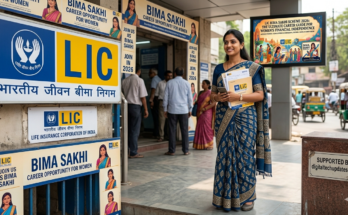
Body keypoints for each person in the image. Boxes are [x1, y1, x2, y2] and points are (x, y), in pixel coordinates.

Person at [211, 29, 271, 212]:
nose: (229, 45)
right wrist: (218, 98)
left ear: (241, 45)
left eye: (233, 42)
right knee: (224, 157)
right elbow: (212, 94)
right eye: (226, 42)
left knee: (245, 157)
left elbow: (260, 95)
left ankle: (247, 197)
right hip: (223, 118)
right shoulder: (219, 68)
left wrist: (239, 96)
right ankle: (225, 196)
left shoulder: (252, 68)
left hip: (245, 117)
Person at [163, 67, 192, 156]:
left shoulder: (169, 83)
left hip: (172, 110)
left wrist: (165, 109)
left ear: (175, 73)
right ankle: (186, 150)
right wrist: (190, 109)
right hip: (184, 110)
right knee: (184, 130)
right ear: (183, 74)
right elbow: (190, 98)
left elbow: (166, 97)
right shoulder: (187, 83)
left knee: (172, 130)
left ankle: (172, 150)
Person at [122, 66, 149, 158]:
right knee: (134, 131)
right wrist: (146, 109)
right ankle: (133, 152)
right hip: (135, 107)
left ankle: (126, 151)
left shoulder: (124, 81)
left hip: (126, 107)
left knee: (127, 130)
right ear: (139, 71)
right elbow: (143, 97)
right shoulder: (139, 80)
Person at [193, 80, 215, 150]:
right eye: (202, 83)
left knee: (206, 128)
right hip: (200, 112)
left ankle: (208, 144)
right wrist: (194, 103)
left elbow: (214, 103)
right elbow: (199, 101)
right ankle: (200, 144)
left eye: (204, 84)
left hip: (207, 113)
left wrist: (205, 109)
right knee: (200, 127)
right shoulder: (200, 92)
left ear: (208, 85)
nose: (202, 85)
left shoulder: (210, 93)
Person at [155, 70, 173, 142]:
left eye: (171, 76)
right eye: (168, 76)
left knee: (170, 120)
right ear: (165, 76)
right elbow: (156, 94)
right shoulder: (160, 83)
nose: (170, 77)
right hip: (162, 102)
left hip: (171, 103)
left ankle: (169, 135)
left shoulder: (173, 84)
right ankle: (161, 136)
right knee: (162, 120)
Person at [149, 68, 162, 139]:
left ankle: (156, 133)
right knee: (158, 117)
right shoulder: (159, 79)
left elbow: (153, 90)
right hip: (158, 99)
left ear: (154, 73)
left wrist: (151, 100)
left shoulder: (154, 79)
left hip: (155, 100)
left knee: (156, 117)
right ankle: (157, 133)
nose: (149, 74)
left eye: (150, 73)